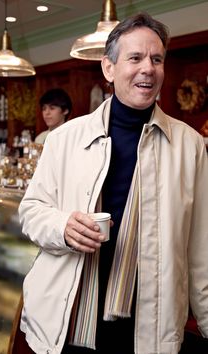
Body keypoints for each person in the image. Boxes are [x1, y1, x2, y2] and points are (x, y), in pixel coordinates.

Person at [18, 12, 208, 354]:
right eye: (135, 58)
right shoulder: (63, 139)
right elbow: (31, 211)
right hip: (71, 317)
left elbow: (201, 250)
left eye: (156, 59)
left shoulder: (191, 146)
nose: (147, 68)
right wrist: (62, 227)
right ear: (109, 68)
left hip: (150, 322)